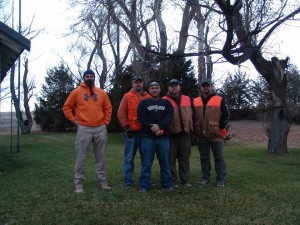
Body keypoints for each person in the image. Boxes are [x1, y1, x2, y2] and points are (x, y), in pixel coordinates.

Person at [63, 69, 112, 193]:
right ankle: (78, 183)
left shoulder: (101, 93)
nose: (89, 78)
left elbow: (108, 108)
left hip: (100, 127)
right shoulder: (76, 92)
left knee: (100, 156)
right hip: (84, 128)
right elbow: (66, 107)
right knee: (81, 156)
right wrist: (74, 121)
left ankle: (102, 182)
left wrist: (106, 122)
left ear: (94, 78)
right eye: (87, 76)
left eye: (91, 76)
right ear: (84, 78)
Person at [137, 81, 174, 193]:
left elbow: (169, 117)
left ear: (160, 90)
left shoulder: (166, 103)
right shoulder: (143, 103)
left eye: (156, 88)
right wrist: (152, 127)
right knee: (146, 162)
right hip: (147, 137)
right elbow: (142, 118)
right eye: (152, 88)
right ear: (149, 90)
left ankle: (167, 183)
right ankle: (144, 185)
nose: (154, 90)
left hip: (162, 137)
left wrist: (160, 127)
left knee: (165, 162)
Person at [193, 78, 230, 188]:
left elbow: (227, 115)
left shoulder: (219, 99)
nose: (205, 87)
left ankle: (221, 179)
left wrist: (220, 127)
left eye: (207, 85)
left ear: (211, 87)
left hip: (215, 135)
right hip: (201, 135)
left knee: (219, 158)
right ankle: (205, 178)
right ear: (201, 88)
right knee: (204, 158)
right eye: (203, 86)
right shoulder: (195, 101)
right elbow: (192, 116)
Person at [117, 75, 150, 188]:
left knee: (145, 158)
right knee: (129, 158)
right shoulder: (127, 96)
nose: (138, 84)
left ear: (142, 84)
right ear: (132, 84)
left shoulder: (148, 97)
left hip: (145, 133)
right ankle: (127, 181)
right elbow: (121, 114)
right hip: (132, 133)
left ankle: (144, 180)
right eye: (136, 82)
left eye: (140, 82)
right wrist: (127, 127)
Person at [163, 79, 193, 188]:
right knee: (170, 159)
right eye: (172, 85)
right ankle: (172, 180)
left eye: (176, 85)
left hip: (185, 134)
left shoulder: (188, 99)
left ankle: (185, 180)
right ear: (168, 87)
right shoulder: (164, 100)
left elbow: (193, 114)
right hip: (170, 135)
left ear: (179, 87)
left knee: (184, 159)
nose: (174, 87)